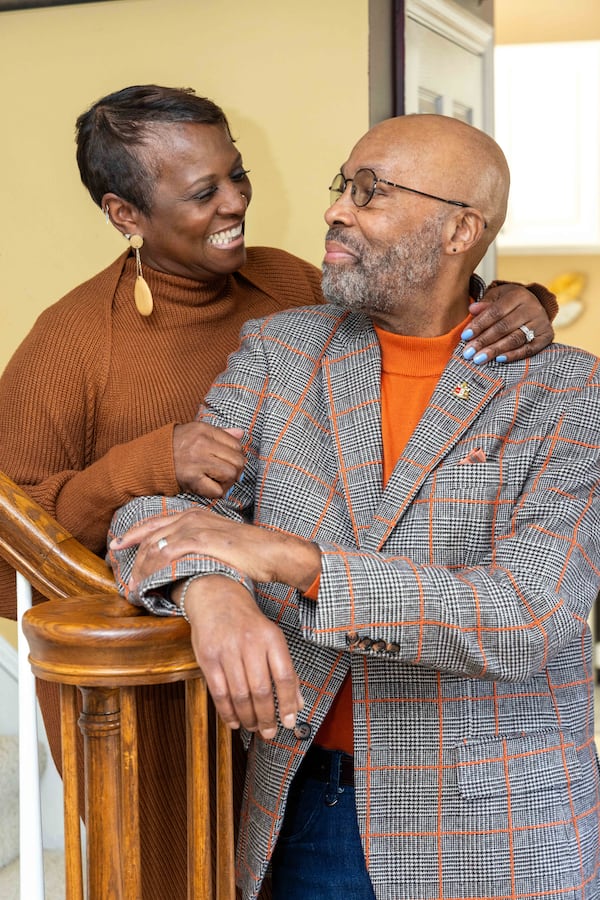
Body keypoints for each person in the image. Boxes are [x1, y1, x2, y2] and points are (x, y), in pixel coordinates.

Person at [0, 85, 554, 898]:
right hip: (158, 686)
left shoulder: (286, 290)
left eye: (237, 174)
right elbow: (17, 535)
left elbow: (416, 313)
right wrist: (152, 474)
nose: (234, 203)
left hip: (312, 666)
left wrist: (517, 303)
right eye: (201, 193)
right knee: (178, 872)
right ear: (125, 214)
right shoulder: (74, 339)